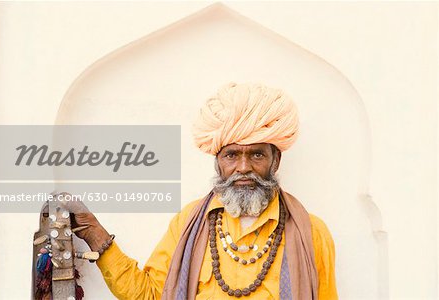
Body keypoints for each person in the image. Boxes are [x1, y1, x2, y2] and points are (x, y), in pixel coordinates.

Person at [71, 83, 338, 299]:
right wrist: (94, 232)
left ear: (275, 161)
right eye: (231, 155)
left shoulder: (311, 232)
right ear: (218, 162)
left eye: (257, 154)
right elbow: (151, 294)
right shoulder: (190, 222)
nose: (243, 167)